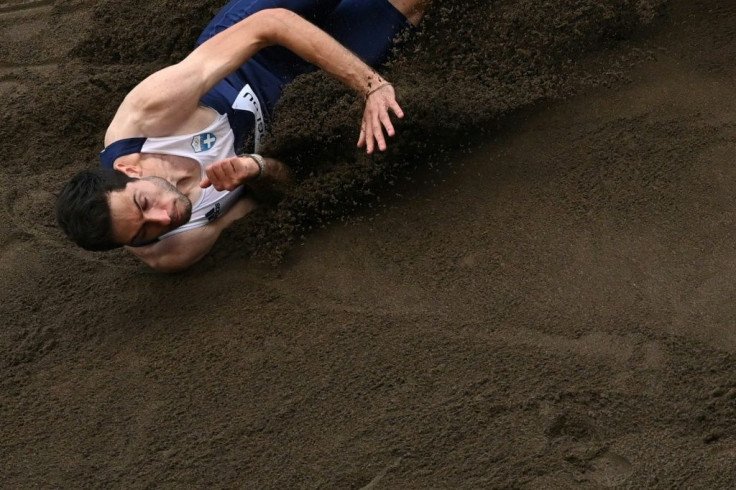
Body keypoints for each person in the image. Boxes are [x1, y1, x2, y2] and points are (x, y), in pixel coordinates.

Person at [56, 0, 430, 272]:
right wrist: (259, 168)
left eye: (144, 204)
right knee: (412, 6)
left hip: (254, 51)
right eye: (142, 232)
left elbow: (270, 24)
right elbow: (287, 194)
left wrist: (370, 86)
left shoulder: (148, 113)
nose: (164, 216)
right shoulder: (175, 249)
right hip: (295, 93)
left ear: (130, 170)